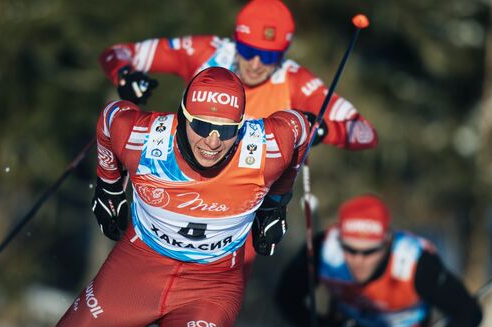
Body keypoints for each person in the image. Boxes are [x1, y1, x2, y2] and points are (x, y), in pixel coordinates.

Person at [99, 0, 378, 279]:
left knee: (212, 301)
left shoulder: (293, 79)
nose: (256, 65)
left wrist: (325, 129)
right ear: (236, 40)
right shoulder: (208, 53)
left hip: (241, 210)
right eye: (248, 50)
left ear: (284, 53)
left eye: (270, 57)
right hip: (175, 189)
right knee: (136, 284)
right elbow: (118, 53)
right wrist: (126, 75)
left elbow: (365, 132)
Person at [42, 66, 315, 327]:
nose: (212, 141)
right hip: (134, 273)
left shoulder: (265, 148)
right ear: (182, 116)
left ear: (241, 125)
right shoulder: (143, 138)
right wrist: (108, 185)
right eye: (201, 126)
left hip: (209, 289)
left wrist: (276, 203)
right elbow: (111, 118)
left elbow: (299, 129)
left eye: (226, 130)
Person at [276, 195, 483, 327]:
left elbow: (469, 313)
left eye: (369, 252)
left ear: (387, 243)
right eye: (350, 249)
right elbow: (286, 297)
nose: (358, 260)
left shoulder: (415, 263)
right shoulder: (324, 250)